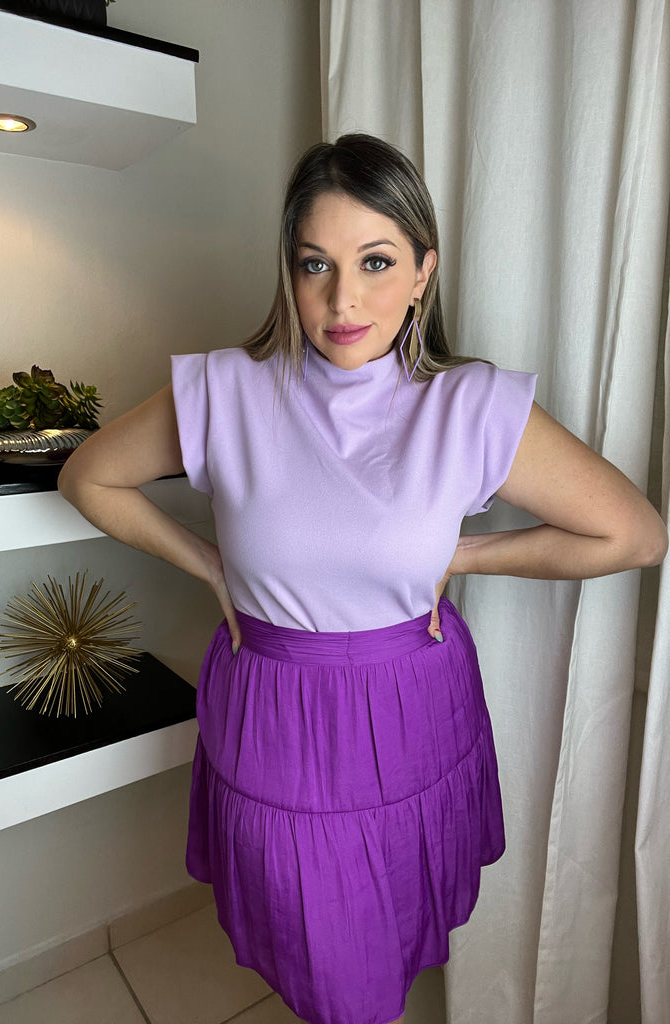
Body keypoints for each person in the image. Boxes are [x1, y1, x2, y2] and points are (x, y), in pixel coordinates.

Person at [57, 134, 667, 1024]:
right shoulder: (226, 391)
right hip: (274, 715)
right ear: (290, 272)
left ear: (423, 272)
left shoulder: (469, 405)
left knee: (384, 943)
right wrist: (212, 567)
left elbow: (635, 534)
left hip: (413, 707)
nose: (342, 299)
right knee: (324, 961)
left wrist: (464, 556)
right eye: (316, 265)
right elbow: (87, 478)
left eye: (375, 262)